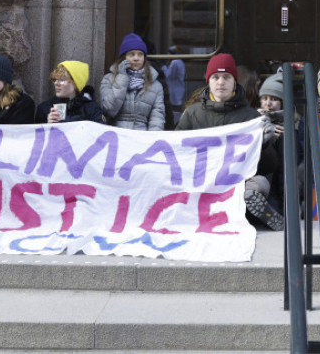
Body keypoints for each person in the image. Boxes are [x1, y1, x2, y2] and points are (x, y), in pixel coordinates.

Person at [177, 53, 283, 230]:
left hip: (237, 183)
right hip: (200, 183)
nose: (221, 82)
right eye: (215, 77)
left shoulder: (251, 117)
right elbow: (176, 153)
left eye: (226, 77)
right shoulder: (192, 114)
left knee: (260, 183)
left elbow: (269, 166)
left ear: (235, 82)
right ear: (208, 81)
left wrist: (264, 144)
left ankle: (244, 209)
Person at [99, 33, 165, 130]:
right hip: (116, 133)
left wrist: (152, 137)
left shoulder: (155, 85)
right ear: (124, 57)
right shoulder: (108, 79)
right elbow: (109, 110)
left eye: (140, 54)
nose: (136, 58)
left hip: (142, 135)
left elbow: (157, 117)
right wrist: (122, 78)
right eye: (131, 54)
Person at [35, 61, 102, 123]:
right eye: (55, 79)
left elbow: (102, 131)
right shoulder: (45, 108)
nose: (56, 83)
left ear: (76, 83)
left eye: (62, 80)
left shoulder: (92, 109)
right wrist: (48, 126)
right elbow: (36, 131)